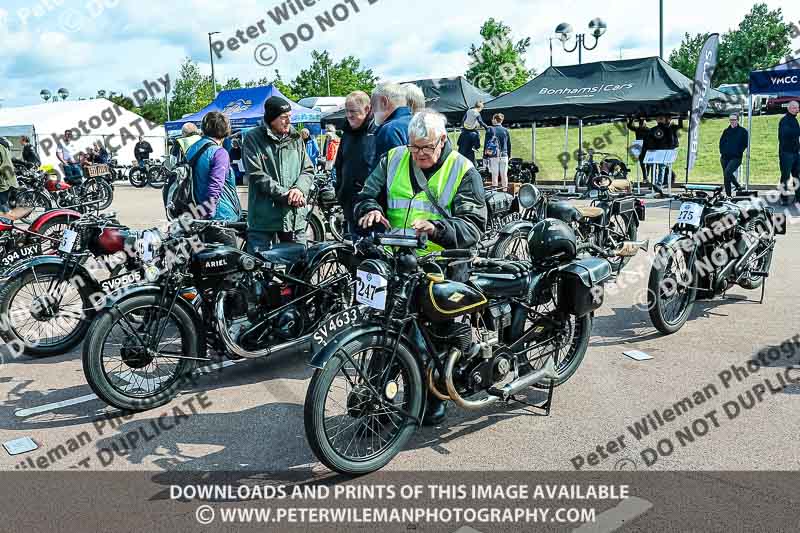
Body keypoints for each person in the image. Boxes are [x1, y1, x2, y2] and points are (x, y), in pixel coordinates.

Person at [354, 109, 487, 426]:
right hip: (397, 262)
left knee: (437, 337)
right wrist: (370, 209)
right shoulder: (393, 159)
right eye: (415, 147)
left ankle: (434, 397)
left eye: (427, 147)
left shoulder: (462, 169)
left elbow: (474, 226)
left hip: (442, 265)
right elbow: (366, 195)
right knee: (386, 328)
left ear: (443, 140)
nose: (420, 154)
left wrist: (437, 228)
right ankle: (379, 397)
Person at [242, 96, 314, 252]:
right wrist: (287, 194)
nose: (288, 121)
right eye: (283, 117)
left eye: (290, 116)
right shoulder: (253, 139)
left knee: (299, 268)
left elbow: (307, 169)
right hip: (263, 219)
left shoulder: (296, 138)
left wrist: (299, 189)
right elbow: (256, 174)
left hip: (294, 217)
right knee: (256, 267)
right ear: (271, 118)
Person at [185, 111, 242, 247]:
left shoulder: (192, 149)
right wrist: (209, 214)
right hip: (219, 219)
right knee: (231, 265)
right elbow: (215, 187)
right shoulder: (219, 152)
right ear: (225, 130)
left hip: (196, 215)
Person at [333, 90, 377, 232]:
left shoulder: (377, 132)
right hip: (349, 205)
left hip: (371, 208)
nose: (349, 115)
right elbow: (339, 164)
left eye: (353, 111)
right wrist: (340, 191)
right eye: (347, 111)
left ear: (367, 109)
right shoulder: (347, 134)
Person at [370, 82, 413, 170]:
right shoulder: (422, 122)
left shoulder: (389, 130)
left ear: (384, 102)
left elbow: (384, 173)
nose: (372, 111)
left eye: (373, 105)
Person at [648, 115, 684, 193]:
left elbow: (650, 141)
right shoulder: (668, 129)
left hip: (658, 151)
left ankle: (657, 184)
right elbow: (671, 141)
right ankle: (658, 184)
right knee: (661, 168)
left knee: (658, 168)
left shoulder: (654, 129)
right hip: (663, 151)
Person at [718, 113, 749, 197]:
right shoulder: (726, 131)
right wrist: (722, 151)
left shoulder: (743, 131)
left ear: (737, 120)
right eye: (731, 120)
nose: (732, 121)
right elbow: (721, 143)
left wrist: (739, 151)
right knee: (726, 177)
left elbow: (745, 144)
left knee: (727, 173)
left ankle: (737, 185)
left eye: (734, 120)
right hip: (724, 157)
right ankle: (729, 196)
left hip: (736, 157)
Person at [778, 100, 800, 205]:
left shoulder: (795, 120)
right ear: (790, 108)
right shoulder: (784, 121)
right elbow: (786, 134)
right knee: (785, 177)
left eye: (798, 108)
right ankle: (783, 198)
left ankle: (798, 197)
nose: (798, 110)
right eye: (795, 108)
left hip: (796, 153)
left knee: (797, 175)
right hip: (786, 153)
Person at [486, 113, 511, 189]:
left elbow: (486, 144)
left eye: (493, 119)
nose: (492, 120)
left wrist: (485, 156)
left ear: (495, 120)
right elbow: (509, 144)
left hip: (493, 155)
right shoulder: (506, 130)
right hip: (504, 155)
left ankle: (495, 192)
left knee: (495, 175)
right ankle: (505, 191)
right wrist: (509, 155)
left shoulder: (490, 129)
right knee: (504, 175)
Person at [627, 116, 649, 181]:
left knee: (644, 163)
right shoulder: (645, 129)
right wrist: (631, 120)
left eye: (641, 122)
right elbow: (630, 126)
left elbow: (629, 126)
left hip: (643, 148)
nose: (641, 124)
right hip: (642, 148)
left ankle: (645, 176)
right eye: (641, 122)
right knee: (644, 163)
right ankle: (645, 177)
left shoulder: (641, 129)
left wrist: (632, 119)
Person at [0, 138, 18, 212]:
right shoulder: (3, 144)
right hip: (8, 180)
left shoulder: (1, 146)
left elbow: (4, 165)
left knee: (3, 206)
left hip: (4, 181)